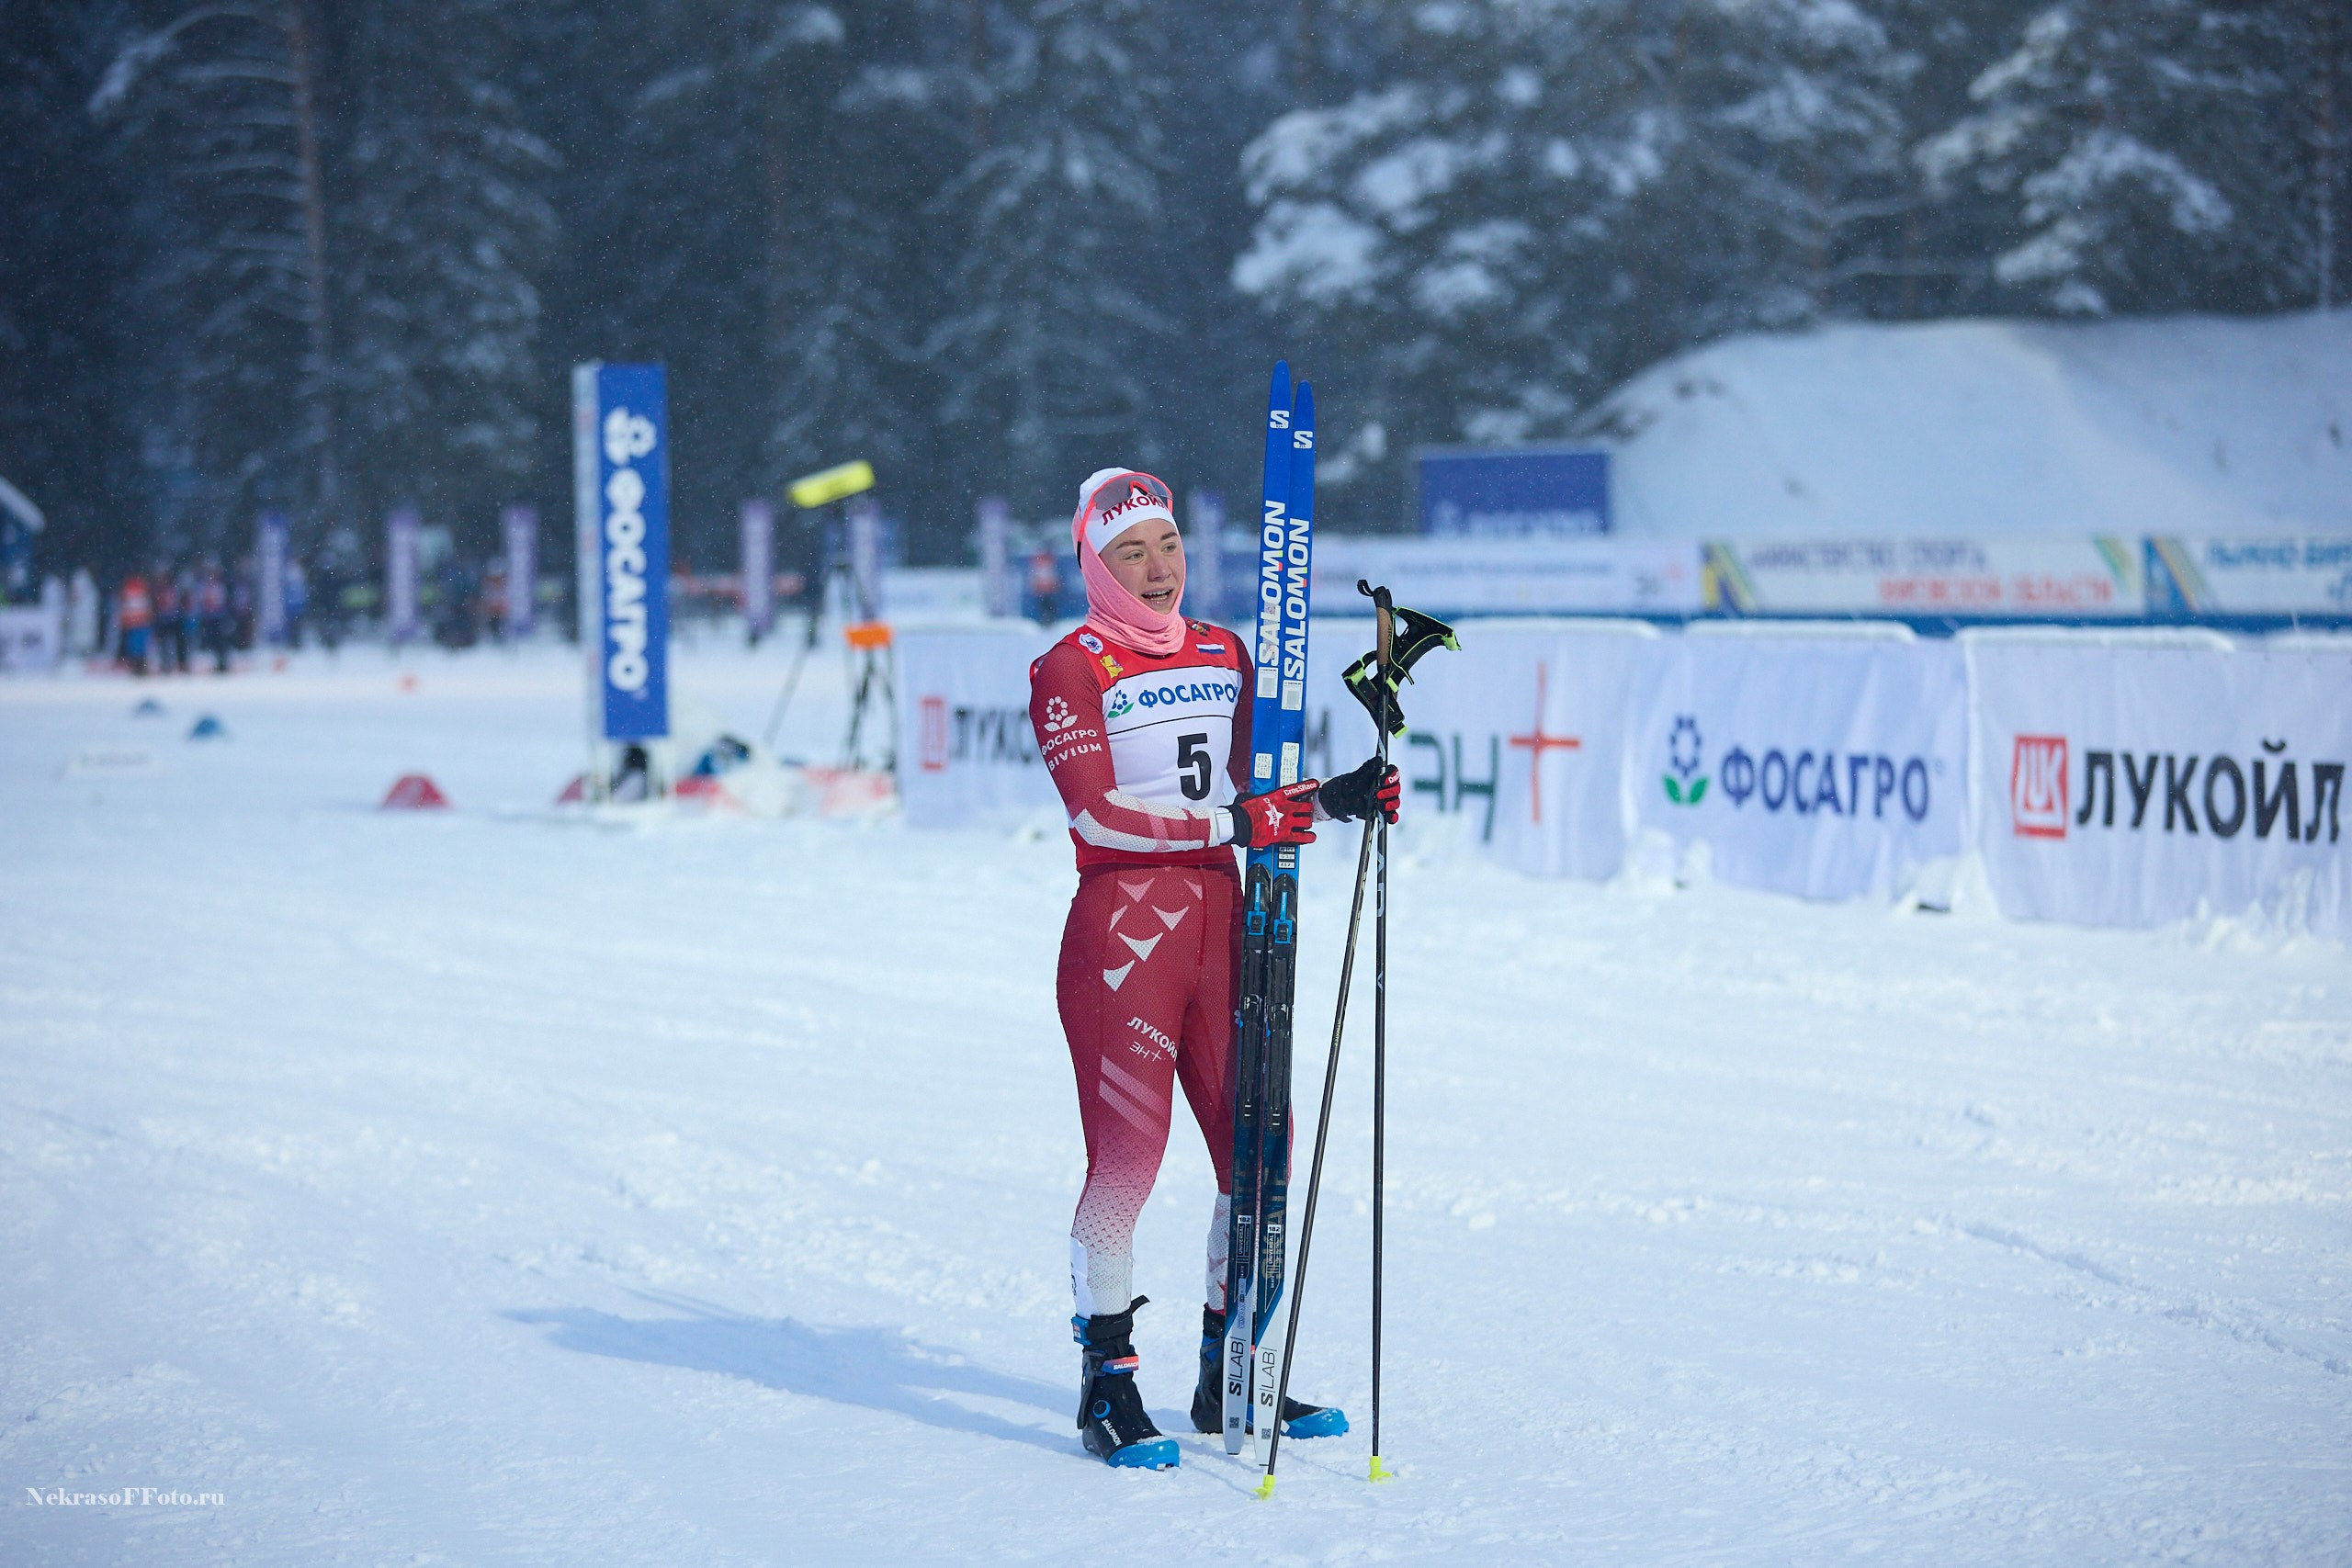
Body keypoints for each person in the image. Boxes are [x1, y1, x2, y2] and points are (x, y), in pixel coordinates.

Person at [1026, 467, 1400, 1470]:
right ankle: (1106, 1384)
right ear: (1093, 566)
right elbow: (1095, 813)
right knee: (1128, 1164)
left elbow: (1260, 792)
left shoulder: (1222, 651)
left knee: (1260, 1157)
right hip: (1124, 936)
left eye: (1167, 545)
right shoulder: (1070, 665)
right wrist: (1241, 822)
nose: (1155, 568)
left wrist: (1340, 796)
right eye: (1129, 552)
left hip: (1226, 924)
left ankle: (1225, 1368)